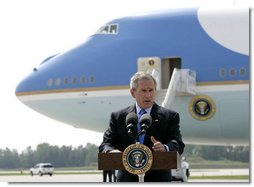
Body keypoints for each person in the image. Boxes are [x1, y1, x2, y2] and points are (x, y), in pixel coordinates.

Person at [99, 72, 185, 182]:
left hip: (158, 180)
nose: (148, 95)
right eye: (144, 91)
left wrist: (165, 147)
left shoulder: (169, 116)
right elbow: (105, 144)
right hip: (127, 180)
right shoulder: (118, 117)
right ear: (132, 92)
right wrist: (110, 152)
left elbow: (178, 143)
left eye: (151, 90)